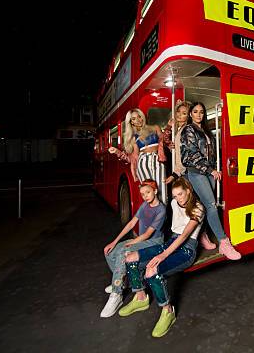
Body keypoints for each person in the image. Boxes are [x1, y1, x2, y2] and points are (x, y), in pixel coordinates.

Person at [119, 178, 205, 337]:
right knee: (130, 258)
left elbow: (185, 234)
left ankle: (168, 311)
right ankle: (140, 297)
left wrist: (163, 255)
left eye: (181, 194)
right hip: (172, 241)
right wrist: (163, 249)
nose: (178, 198)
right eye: (175, 195)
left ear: (188, 191)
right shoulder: (173, 204)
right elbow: (175, 232)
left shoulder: (198, 208)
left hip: (187, 248)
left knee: (152, 270)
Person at [180, 102, 241, 260]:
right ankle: (224, 242)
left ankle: (202, 236)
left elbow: (212, 152)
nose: (198, 114)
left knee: (204, 207)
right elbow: (192, 154)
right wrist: (210, 170)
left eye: (201, 112)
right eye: (195, 111)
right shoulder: (189, 130)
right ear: (190, 114)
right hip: (197, 173)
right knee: (211, 205)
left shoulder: (206, 130)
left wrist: (215, 168)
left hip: (210, 172)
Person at [100, 179, 166, 318]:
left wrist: (131, 244)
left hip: (153, 242)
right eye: (142, 194)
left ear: (155, 191)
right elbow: (131, 224)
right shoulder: (144, 205)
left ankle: (116, 294)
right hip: (142, 239)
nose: (145, 196)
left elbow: (148, 234)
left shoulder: (161, 209)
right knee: (110, 251)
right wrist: (115, 241)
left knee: (124, 251)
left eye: (148, 192)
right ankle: (121, 281)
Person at [163, 100, 215, 251]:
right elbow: (165, 141)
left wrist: (175, 174)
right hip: (181, 171)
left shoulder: (187, 130)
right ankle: (192, 236)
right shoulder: (178, 129)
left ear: (189, 116)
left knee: (196, 206)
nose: (180, 115)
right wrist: (168, 133)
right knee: (188, 206)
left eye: (184, 113)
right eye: (178, 112)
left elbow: (186, 157)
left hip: (186, 171)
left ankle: (200, 235)